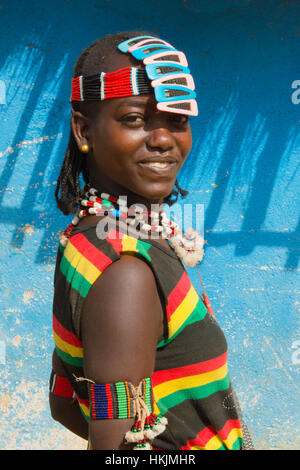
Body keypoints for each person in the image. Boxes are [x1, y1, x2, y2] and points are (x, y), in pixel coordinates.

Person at [49, 31, 253, 450]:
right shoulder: (126, 271)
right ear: (84, 129)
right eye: (135, 119)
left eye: (177, 120)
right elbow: (120, 450)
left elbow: (64, 400)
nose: (163, 139)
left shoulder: (91, 238)